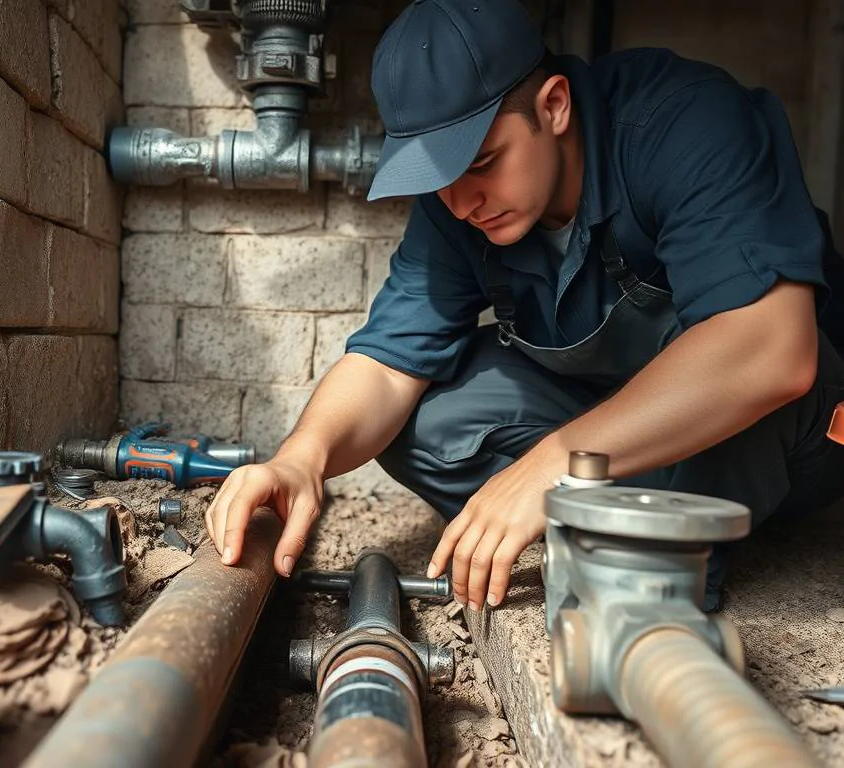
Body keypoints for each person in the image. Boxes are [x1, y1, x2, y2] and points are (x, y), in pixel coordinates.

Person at [204, 0, 844, 613]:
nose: (462, 203)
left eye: (482, 162)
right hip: (626, 428)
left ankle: (654, 563)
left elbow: (772, 352)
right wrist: (303, 457)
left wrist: (556, 464)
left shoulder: (683, 122)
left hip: (795, 434)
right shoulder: (457, 203)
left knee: (756, 353)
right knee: (424, 421)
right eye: (439, 178)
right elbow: (388, 364)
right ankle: (627, 522)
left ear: (554, 106)